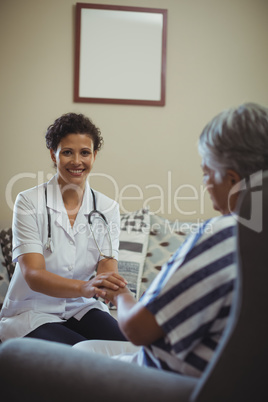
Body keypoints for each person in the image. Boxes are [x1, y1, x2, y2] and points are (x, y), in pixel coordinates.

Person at [73, 102, 268, 378]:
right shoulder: (257, 236)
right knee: (85, 348)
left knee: (68, 357)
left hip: (169, 382)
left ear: (231, 179)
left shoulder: (223, 234)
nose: (204, 183)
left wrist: (120, 294)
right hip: (222, 378)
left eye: (206, 172)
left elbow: (139, 330)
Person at [0, 112, 128, 345]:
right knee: (76, 353)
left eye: (85, 152)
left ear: (94, 155)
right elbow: (34, 275)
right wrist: (85, 287)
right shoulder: (29, 201)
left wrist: (120, 295)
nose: (77, 161)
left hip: (81, 306)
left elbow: (107, 267)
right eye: (67, 152)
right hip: (33, 309)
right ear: (53, 154)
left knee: (125, 345)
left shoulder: (107, 208)